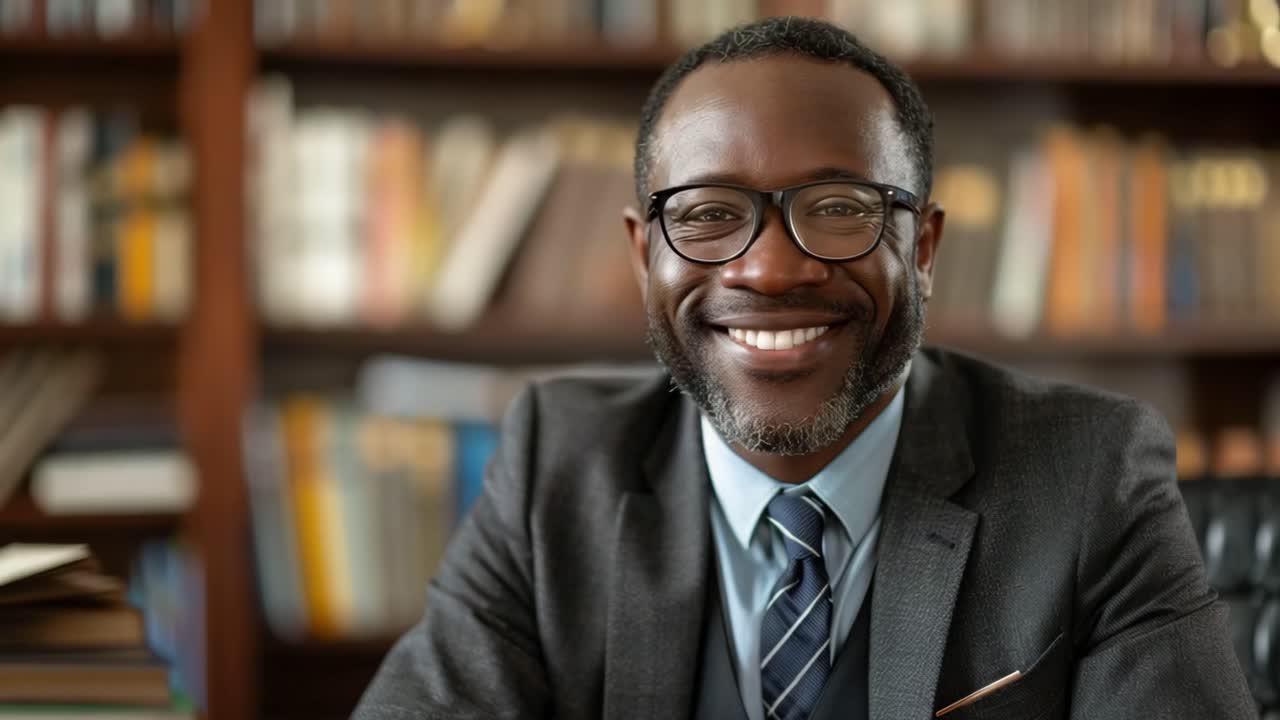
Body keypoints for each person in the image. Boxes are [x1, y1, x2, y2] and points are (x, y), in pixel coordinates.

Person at [352, 16, 1254, 720]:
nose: (771, 269)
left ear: (925, 246)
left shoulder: (1090, 472)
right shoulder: (557, 462)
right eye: (707, 213)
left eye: (837, 207)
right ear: (643, 256)